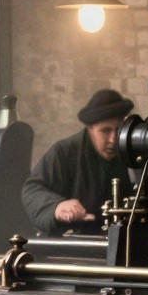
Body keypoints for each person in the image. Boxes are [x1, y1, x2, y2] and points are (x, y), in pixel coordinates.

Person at [23, 89, 136, 235]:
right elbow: (31, 189)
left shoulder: (131, 150)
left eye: (119, 129)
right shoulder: (64, 152)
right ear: (90, 128)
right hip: (72, 243)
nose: (113, 140)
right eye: (105, 131)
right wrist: (56, 207)